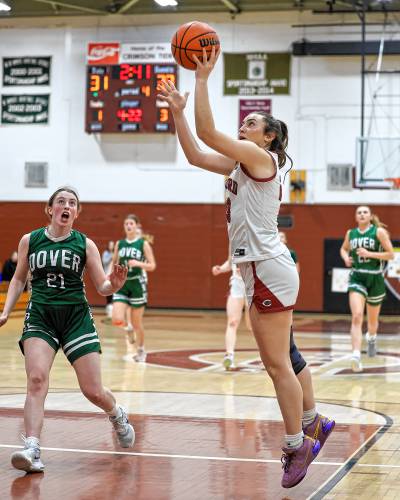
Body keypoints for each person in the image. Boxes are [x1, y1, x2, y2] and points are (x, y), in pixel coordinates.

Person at [157, 47, 334, 489]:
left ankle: (298, 443)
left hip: (268, 269)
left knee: (276, 365)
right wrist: (178, 112)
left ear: (269, 137)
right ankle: (314, 422)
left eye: (253, 123)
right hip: (260, 270)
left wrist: (201, 79)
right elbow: (198, 154)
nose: (245, 125)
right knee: (283, 361)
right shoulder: (243, 163)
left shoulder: (262, 160)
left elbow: (209, 132)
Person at [0, 187, 135, 474]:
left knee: (93, 391)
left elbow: (103, 287)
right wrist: (6, 310)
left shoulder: (85, 244)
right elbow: (18, 278)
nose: (66, 206)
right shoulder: (30, 240)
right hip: (40, 315)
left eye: (72, 203)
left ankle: (116, 413)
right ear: (50, 209)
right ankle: (32, 448)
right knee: (36, 379)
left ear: (76, 212)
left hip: (75, 318)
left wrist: (117, 285)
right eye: (61, 201)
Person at [340, 206, 394, 372]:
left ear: (370, 216)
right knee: (356, 316)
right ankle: (356, 354)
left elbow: (391, 254)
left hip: (375, 277)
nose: (362, 214)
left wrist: (369, 254)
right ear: (356, 217)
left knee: (372, 322)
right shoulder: (351, 233)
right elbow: (343, 248)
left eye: (365, 212)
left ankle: (371, 337)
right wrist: (346, 258)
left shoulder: (378, 232)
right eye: (359, 212)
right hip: (357, 276)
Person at [112, 214, 156, 362]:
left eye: (131, 223)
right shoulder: (120, 243)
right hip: (123, 284)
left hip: (137, 283)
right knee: (117, 318)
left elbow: (152, 265)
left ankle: (141, 350)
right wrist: (110, 278)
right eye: (126, 224)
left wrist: (138, 264)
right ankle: (127, 327)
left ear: (136, 226)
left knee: (137, 323)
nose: (129, 226)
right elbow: (114, 263)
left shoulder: (143, 244)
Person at [212, 255, 252, 370]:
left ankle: (267, 356)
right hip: (237, 286)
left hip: (252, 286)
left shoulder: (257, 242)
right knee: (232, 322)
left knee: (253, 326)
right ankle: (229, 355)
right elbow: (231, 262)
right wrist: (221, 268)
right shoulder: (236, 244)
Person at [102, 240, 115, 317]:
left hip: (114, 275)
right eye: (110, 245)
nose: (111, 246)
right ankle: (109, 306)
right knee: (108, 291)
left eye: (112, 245)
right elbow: (104, 262)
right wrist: (111, 257)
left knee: (114, 290)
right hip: (107, 274)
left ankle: (112, 307)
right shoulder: (106, 253)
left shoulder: (116, 253)